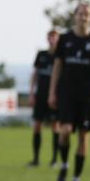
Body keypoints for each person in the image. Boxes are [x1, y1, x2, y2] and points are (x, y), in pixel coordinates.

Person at [48, 3, 90, 181]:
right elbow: (57, 67)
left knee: (83, 136)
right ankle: (64, 165)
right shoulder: (65, 40)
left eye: (87, 14)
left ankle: (76, 178)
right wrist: (52, 92)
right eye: (80, 14)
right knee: (65, 131)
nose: (83, 17)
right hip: (67, 94)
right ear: (75, 16)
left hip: (87, 96)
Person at [27, 30, 60, 167]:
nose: (52, 40)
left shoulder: (60, 56)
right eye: (50, 37)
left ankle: (54, 160)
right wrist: (31, 93)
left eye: (54, 37)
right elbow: (35, 74)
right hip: (40, 96)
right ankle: (36, 160)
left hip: (55, 97)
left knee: (55, 126)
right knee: (37, 126)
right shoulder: (41, 55)